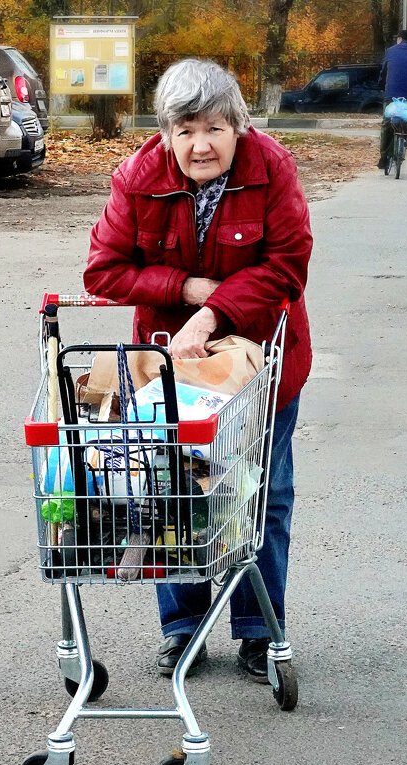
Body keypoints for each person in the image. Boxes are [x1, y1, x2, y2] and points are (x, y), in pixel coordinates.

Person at [85, 58, 312, 682]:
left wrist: (213, 314)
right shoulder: (138, 177)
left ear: (239, 127)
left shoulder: (272, 170)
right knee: (169, 493)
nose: (200, 144)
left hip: (259, 365)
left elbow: (287, 267)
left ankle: (259, 633)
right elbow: (102, 271)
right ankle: (182, 628)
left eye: (215, 127)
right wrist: (186, 289)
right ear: (165, 133)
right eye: (185, 129)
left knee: (262, 494)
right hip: (169, 370)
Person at [378, 30, 407, 170]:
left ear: (399, 39)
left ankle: (383, 158)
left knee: (387, 123)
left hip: (392, 93)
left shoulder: (391, 51)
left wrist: (381, 85)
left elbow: (383, 71)